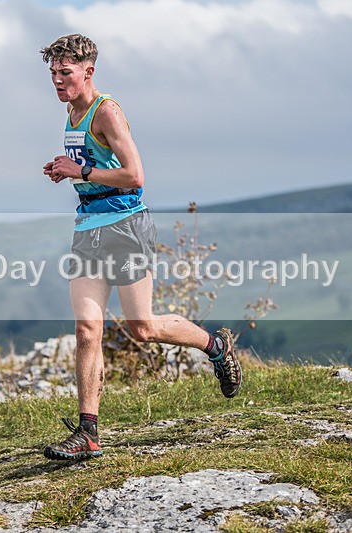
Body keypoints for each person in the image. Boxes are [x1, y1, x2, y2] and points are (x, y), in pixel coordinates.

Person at [40, 34, 242, 461]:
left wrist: (82, 169)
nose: (57, 81)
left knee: (143, 328)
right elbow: (93, 170)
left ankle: (216, 347)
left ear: (88, 72)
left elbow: (134, 176)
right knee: (86, 330)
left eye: (66, 73)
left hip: (127, 227)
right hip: (89, 228)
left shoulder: (106, 111)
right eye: (53, 73)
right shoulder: (71, 112)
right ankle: (88, 433)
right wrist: (68, 172)